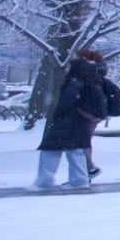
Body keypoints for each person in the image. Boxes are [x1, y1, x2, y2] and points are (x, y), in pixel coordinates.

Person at [32, 54, 104, 191]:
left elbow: (65, 103)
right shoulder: (91, 81)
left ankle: (44, 181)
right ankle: (79, 180)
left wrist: (59, 116)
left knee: (50, 150)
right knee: (75, 150)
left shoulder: (74, 82)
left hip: (67, 122)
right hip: (80, 122)